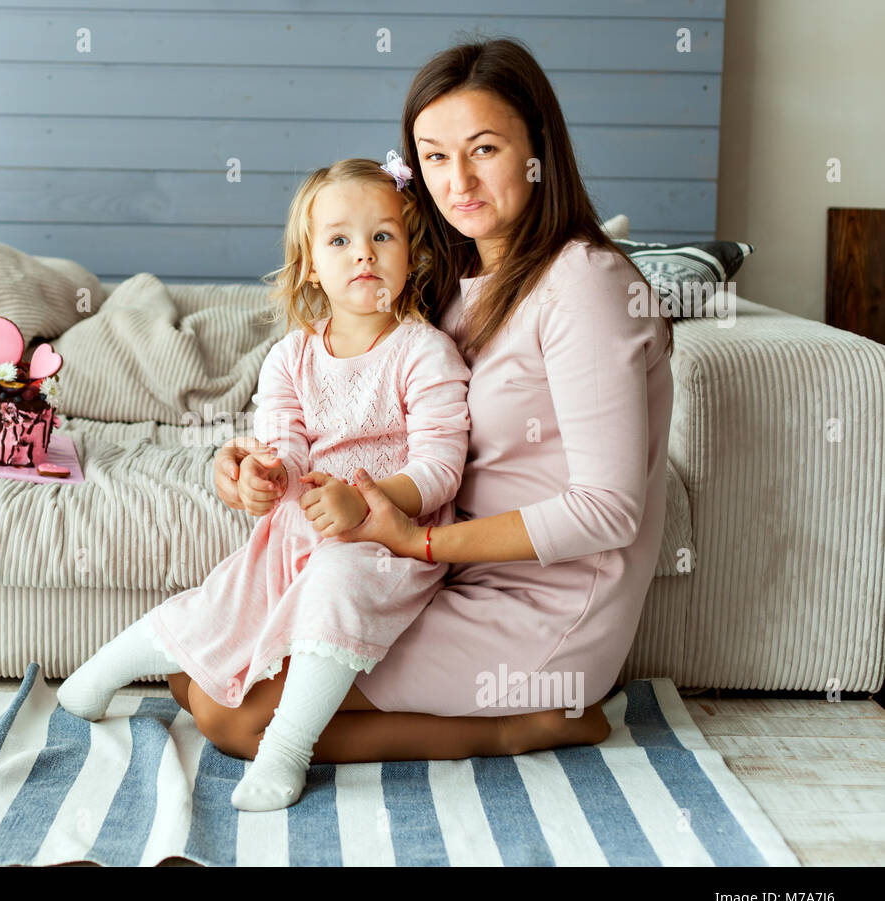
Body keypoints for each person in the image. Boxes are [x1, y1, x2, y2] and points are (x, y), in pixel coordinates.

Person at [173, 36, 676, 767]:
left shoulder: (586, 286)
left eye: (484, 150)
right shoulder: (459, 281)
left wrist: (421, 542)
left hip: (540, 611)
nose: (459, 181)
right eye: (434, 156)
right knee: (191, 669)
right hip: (436, 573)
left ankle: (526, 723)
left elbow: (608, 510)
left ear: (539, 149)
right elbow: (354, 411)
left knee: (228, 716)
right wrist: (258, 461)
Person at [58, 154, 473, 812]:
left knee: (338, 581)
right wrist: (261, 476)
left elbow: (439, 468)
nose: (362, 254)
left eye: (382, 236)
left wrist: (367, 503)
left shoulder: (424, 352)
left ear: (411, 254)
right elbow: (282, 446)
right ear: (311, 263)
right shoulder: (292, 355)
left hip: (385, 541)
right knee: (224, 597)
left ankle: (286, 749)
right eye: (339, 240)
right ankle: (100, 672)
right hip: (302, 525)